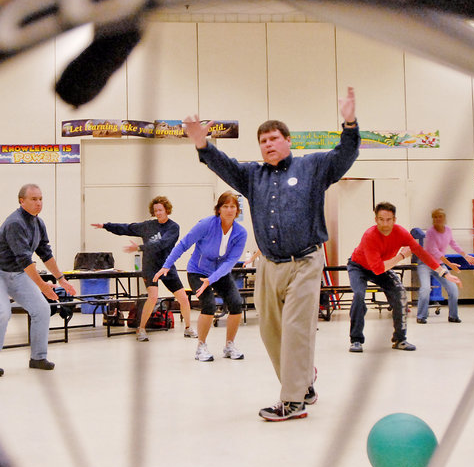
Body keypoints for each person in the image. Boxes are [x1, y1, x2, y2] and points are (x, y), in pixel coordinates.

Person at [184, 86, 358, 422]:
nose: (268, 144)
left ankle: (292, 401)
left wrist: (349, 122)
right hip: (269, 265)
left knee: (296, 329)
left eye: (274, 138)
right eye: (263, 140)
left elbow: (345, 155)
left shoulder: (313, 167)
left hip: (305, 261)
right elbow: (224, 166)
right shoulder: (252, 176)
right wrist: (202, 143)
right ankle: (303, 384)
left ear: (288, 141)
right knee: (271, 332)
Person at [0, 184, 76, 377]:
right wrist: (43, 287)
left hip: (17, 274)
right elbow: (25, 260)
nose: (38, 203)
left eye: (40, 199)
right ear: (21, 201)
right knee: (2, 312)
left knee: (42, 309)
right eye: (33, 199)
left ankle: (38, 358)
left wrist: (61, 279)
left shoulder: (38, 224)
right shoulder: (15, 223)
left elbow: (45, 253)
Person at [348, 202, 461, 353]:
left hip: (383, 267)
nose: (385, 224)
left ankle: (400, 339)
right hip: (359, 267)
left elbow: (421, 253)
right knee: (359, 295)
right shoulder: (370, 236)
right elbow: (378, 268)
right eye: (381, 219)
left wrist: (444, 273)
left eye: (388, 220)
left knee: (400, 294)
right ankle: (356, 340)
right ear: (376, 220)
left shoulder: (401, 233)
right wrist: (402, 255)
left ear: (394, 219)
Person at [154, 191, 248, 362]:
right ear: (218, 209)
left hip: (219, 273)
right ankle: (201, 347)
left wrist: (211, 280)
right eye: (225, 206)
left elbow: (230, 262)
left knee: (236, 303)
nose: (229, 210)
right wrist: (166, 265)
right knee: (209, 305)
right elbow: (183, 244)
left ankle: (229, 345)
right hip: (197, 270)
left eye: (232, 207)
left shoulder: (240, 233)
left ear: (237, 210)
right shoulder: (206, 224)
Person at [92, 196, 195, 341]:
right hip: (150, 267)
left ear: (167, 210)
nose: (158, 213)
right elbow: (126, 228)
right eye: (155, 211)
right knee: (152, 297)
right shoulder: (148, 226)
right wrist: (105, 225)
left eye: (160, 210)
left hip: (166, 266)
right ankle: (141, 329)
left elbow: (163, 244)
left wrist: (140, 247)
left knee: (183, 298)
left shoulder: (173, 227)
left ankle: (188, 328)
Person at [416, 208, 474, 324]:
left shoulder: (448, 230)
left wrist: (465, 255)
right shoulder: (430, 232)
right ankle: (421, 316)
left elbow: (453, 243)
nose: (438, 219)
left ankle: (453, 316)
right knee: (426, 288)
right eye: (435, 217)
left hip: (440, 264)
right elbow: (434, 251)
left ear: (445, 218)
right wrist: (449, 264)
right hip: (425, 264)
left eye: (440, 216)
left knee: (453, 288)